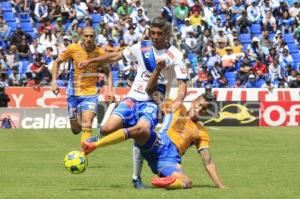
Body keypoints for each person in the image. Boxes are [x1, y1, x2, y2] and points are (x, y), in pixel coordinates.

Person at [79, 17, 188, 188]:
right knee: (107, 128)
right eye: (152, 32)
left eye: (159, 33)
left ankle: (136, 178)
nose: (155, 36)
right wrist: (91, 61)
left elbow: (183, 82)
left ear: (167, 33)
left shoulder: (175, 54)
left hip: (153, 102)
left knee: (141, 132)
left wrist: (178, 101)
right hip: (132, 98)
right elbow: (116, 55)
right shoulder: (141, 47)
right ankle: (96, 140)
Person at [82, 61, 224, 189]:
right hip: (159, 143)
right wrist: (157, 69)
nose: (201, 110)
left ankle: (164, 181)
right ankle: (95, 145)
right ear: (194, 102)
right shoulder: (174, 107)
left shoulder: (202, 132)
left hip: (170, 159)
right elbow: (150, 90)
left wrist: (220, 185)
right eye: (200, 105)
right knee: (141, 129)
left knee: (186, 182)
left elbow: (207, 160)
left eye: (206, 109)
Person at [51, 27, 113, 145]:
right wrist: (54, 82)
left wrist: (110, 90)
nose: (88, 39)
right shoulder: (73, 48)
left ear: (95, 37)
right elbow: (56, 62)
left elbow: (108, 71)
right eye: (86, 36)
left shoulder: (100, 52)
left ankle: (83, 155)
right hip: (73, 93)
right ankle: (77, 114)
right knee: (76, 130)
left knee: (87, 123)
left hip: (90, 93)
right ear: (82, 37)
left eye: (91, 36)